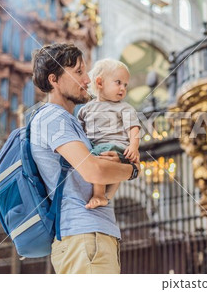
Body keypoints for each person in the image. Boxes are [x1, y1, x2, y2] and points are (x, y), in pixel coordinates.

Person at [29, 43, 140, 274]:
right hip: (83, 237)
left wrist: (116, 164)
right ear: (54, 80)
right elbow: (94, 172)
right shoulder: (52, 118)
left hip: (93, 236)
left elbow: (101, 179)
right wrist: (133, 170)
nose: (87, 80)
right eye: (79, 72)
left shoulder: (72, 122)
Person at [78, 59, 141, 209]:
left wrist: (133, 147)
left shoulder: (124, 108)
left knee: (99, 156)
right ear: (100, 83)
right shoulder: (86, 109)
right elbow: (79, 132)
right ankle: (106, 197)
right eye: (118, 82)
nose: (123, 88)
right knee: (100, 161)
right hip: (96, 146)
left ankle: (99, 194)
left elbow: (134, 128)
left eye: (125, 85)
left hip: (117, 147)